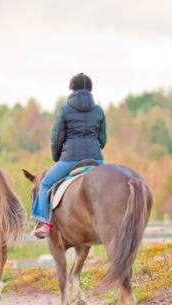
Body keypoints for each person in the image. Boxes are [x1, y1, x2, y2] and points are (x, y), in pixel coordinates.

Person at [31, 73, 107, 238]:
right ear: (90, 90)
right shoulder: (99, 110)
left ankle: (45, 224)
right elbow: (103, 139)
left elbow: (56, 138)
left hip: (70, 159)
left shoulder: (65, 110)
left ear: (71, 89)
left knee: (44, 185)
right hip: (96, 158)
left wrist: (57, 157)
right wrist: (94, 147)